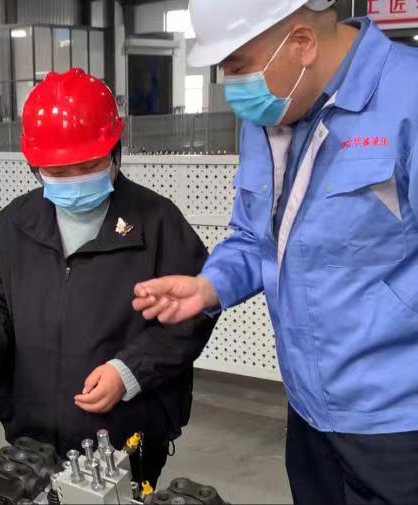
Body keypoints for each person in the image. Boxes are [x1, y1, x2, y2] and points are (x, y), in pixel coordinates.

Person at [132, 1, 418, 503]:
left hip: (398, 423)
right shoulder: (272, 114)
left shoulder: (407, 100)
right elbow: (253, 236)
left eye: (238, 65)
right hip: (309, 412)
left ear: (302, 43)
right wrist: (208, 285)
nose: (230, 85)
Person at [0, 68, 216, 486]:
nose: (74, 181)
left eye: (88, 165)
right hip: (29, 433)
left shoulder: (159, 224)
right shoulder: (14, 224)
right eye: (58, 171)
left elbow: (192, 316)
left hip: (126, 433)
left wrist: (129, 371)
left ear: (114, 149)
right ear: (34, 165)